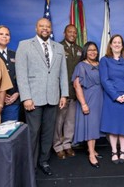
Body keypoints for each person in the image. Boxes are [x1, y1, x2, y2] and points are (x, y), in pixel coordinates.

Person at [15, 18, 68, 176]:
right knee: (33, 132)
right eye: (41, 26)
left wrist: (64, 94)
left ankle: (43, 161)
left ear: (51, 29)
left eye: (48, 26)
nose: (45, 28)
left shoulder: (58, 47)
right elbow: (21, 73)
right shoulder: (24, 45)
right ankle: (30, 165)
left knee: (48, 132)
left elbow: (63, 73)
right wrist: (26, 97)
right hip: (33, 98)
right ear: (36, 28)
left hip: (53, 97)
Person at [99, 34, 124, 164]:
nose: (117, 44)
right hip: (111, 97)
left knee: (123, 126)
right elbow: (104, 80)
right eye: (114, 42)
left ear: (122, 45)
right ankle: (114, 151)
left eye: (119, 42)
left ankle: (123, 151)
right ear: (110, 45)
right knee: (113, 126)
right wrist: (116, 96)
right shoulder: (105, 60)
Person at [53, 24, 82, 159]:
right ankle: (58, 146)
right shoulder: (57, 48)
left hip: (75, 92)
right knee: (59, 121)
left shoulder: (79, 50)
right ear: (64, 33)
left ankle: (67, 144)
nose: (72, 34)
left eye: (74, 33)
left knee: (70, 121)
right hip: (61, 93)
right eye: (69, 32)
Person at [72, 41, 103, 168]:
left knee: (95, 125)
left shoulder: (100, 64)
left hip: (100, 97)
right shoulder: (81, 65)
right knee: (91, 125)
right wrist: (83, 103)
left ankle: (93, 149)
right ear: (85, 51)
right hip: (88, 98)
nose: (93, 52)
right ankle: (91, 154)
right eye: (90, 50)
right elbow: (76, 85)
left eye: (95, 50)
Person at [0, 25, 20, 122]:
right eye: (1, 34)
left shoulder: (15, 54)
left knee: (10, 132)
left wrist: (18, 93)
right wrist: (0, 93)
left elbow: (21, 75)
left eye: (7, 34)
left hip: (12, 100)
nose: (4, 36)